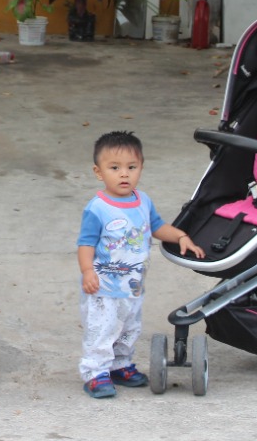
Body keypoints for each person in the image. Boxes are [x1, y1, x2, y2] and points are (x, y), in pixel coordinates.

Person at [76, 131, 204, 398]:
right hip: (103, 288)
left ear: (141, 168)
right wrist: (88, 271)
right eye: (115, 168)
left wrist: (181, 236)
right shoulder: (97, 208)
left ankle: (119, 366)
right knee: (102, 330)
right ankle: (95, 372)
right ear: (99, 172)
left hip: (133, 286)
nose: (124, 174)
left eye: (131, 168)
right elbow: (86, 243)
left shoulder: (142, 201)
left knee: (128, 328)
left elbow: (157, 227)